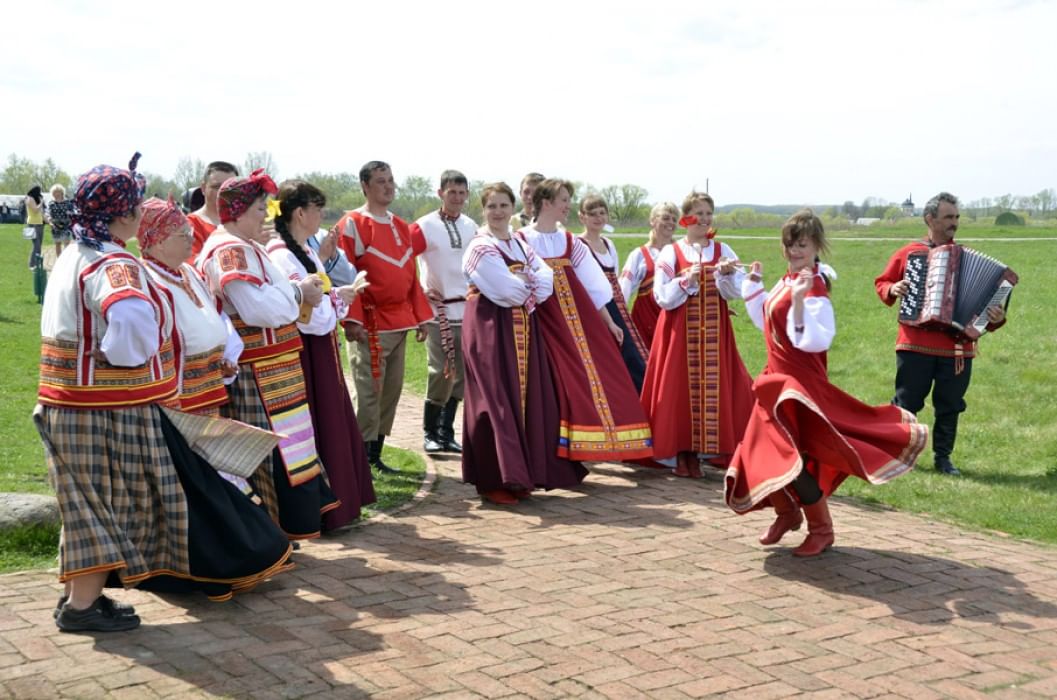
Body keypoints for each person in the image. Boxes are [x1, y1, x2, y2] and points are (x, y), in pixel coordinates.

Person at [36, 155, 293, 632]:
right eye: (133, 205)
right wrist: (128, 357)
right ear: (123, 214)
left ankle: (80, 598)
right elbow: (132, 326)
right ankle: (81, 607)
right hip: (103, 406)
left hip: (66, 401)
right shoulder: (115, 264)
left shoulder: (75, 253)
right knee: (105, 501)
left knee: (87, 500)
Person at [726, 209, 928, 556]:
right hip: (776, 384)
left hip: (799, 388)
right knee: (757, 451)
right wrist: (755, 286)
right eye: (789, 244)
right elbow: (769, 325)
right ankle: (787, 512)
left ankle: (821, 528)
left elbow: (814, 342)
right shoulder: (791, 280)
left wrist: (803, 302)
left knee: (792, 458)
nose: (793, 251)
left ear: (817, 245)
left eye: (801, 244)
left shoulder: (814, 288)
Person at [198, 169, 341, 540]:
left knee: (284, 452)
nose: (266, 214)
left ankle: (280, 531)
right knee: (262, 455)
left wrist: (292, 292)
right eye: (260, 207)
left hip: (273, 368)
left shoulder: (247, 246)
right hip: (255, 372)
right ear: (240, 211)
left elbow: (270, 299)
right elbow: (256, 309)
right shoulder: (229, 249)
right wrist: (297, 295)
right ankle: (267, 534)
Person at [462, 182, 588, 504]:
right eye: (492, 206)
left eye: (504, 206)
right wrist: (527, 282)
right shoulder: (480, 246)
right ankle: (495, 479)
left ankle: (523, 474)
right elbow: (505, 291)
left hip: (522, 327)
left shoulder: (518, 243)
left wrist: (526, 281)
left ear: (512, 207)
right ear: (483, 210)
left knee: (526, 397)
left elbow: (547, 279)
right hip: (490, 328)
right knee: (495, 399)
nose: (499, 212)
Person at [517, 178, 652, 462]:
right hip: (537, 320)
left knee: (584, 379)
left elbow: (595, 286)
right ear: (547, 202)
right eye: (564, 199)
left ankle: (579, 445)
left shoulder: (570, 242)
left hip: (572, 325)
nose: (568, 205)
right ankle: (540, 450)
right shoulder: (522, 240)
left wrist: (609, 322)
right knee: (543, 382)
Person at [874, 192, 1007, 476]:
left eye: (956, 217)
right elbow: (883, 282)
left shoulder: (967, 256)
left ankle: (943, 458)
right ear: (929, 219)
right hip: (915, 345)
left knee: (950, 406)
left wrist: (996, 319)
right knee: (906, 402)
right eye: (948, 217)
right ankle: (895, 453)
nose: (954, 223)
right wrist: (893, 289)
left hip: (957, 349)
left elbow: (987, 312)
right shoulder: (910, 253)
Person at [268, 179, 377, 528]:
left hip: (320, 349)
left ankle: (338, 504)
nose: (322, 216)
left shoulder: (307, 251)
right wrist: (333, 301)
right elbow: (306, 315)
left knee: (330, 419)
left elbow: (318, 303)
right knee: (318, 423)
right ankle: (321, 510)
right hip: (306, 354)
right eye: (318, 209)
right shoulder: (282, 256)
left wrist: (338, 297)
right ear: (301, 213)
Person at [640, 191, 754, 477]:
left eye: (708, 214)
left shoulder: (723, 250)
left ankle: (704, 451)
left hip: (715, 335)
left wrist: (727, 275)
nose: (704, 219)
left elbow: (734, 293)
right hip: (680, 334)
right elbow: (661, 297)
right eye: (698, 214)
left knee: (713, 390)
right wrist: (685, 280)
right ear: (685, 219)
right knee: (679, 391)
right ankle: (680, 452)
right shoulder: (672, 252)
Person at [334, 161, 434, 473]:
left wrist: (420, 316)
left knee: (391, 391)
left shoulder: (402, 226)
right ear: (365, 186)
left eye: (391, 180)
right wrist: (352, 319)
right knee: (369, 391)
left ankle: (374, 455)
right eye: (380, 181)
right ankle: (360, 457)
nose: (388, 186)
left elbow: (410, 275)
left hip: (400, 322)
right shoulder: (352, 225)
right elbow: (343, 275)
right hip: (370, 325)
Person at [410, 170, 475, 453]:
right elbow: (403, 262)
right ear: (440, 193)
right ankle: (429, 432)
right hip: (438, 311)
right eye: (452, 193)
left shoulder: (472, 226)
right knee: (441, 371)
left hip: (468, 308)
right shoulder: (425, 226)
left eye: (462, 193)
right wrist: (418, 292)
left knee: (461, 374)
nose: (457, 198)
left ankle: (446, 432)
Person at [577, 194, 648, 392]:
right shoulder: (578, 244)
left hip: (616, 304)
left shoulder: (608, 244)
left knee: (633, 352)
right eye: (592, 214)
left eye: (602, 213)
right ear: (582, 217)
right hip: (595, 305)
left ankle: (639, 397)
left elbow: (614, 275)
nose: (598, 218)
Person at [620, 201, 678, 348]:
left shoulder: (682, 253)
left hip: (675, 322)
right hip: (645, 324)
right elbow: (623, 290)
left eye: (674, 219)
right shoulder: (639, 255)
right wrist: (616, 318)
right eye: (665, 218)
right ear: (653, 221)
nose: (670, 222)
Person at [187, 161, 239, 260]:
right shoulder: (191, 224)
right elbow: (192, 267)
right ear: (203, 188)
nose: (224, 192)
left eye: (231, 187)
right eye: (217, 187)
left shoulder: (245, 222)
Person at [46, 184, 76, 258]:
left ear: (61, 192)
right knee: (58, 243)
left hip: (66, 225)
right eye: (54, 192)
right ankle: (59, 260)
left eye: (57, 192)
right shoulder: (51, 203)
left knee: (67, 244)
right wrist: (49, 221)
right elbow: (48, 213)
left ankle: (66, 259)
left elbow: (73, 212)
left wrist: (70, 214)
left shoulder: (68, 202)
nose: (55, 194)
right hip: (55, 226)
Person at [25, 185, 45, 268]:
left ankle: (37, 263)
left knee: (39, 245)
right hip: (33, 223)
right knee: (36, 245)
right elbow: (35, 210)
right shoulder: (30, 199)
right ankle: (32, 264)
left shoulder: (35, 199)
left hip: (39, 223)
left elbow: (41, 213)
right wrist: (41, 203)